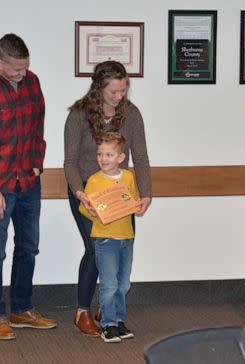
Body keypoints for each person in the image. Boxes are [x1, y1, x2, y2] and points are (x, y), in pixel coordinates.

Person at [0, 33, 56, 341]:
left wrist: (37, 161)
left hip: (28, 181)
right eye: (17, 69)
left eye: (25, 67)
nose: (23, 73)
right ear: (0, 62)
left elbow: (38, 126)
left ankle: (21, 309)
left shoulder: (32, 83)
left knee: (28, 247)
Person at [64, 60, 152, 337]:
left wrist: (146, 194)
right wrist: (80, 193)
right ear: (99, 88)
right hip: (87, 191)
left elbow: (141, 157)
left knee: (122, 248)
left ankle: (109, 309)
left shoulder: (132, 114)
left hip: (120, 191)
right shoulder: (78, 114)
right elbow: (70, 162)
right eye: (113, 91)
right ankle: (82, 311)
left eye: (123, 90)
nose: (119, 96)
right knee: (95, 248)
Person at [79, 132, 141, 343]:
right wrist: (92, 212)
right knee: (109, 284)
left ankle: (118, 320)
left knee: (123, 283)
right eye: (100, 154)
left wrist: (138, 206)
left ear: (120, 158)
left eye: (108, 154)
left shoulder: (129, 177)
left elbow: (133, 202)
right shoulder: (94, 181)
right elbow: (84, 208)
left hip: (126, 237)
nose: (103, 159)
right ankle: (108, 324)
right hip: (105, 240)